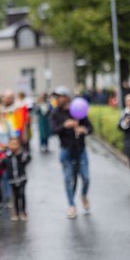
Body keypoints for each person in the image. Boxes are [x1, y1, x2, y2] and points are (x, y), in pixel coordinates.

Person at [50, 86, 93, 219]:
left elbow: (90, 128)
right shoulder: (55, 113)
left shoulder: (77, 109)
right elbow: (53, 130)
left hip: (80, 149)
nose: (57, 99)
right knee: (68, 179)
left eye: (59, 96)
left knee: (85, 178)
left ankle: (84, 195)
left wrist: (83, 130)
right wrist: (64, 126)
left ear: (66, 97)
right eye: (55, 97)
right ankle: (71, 205)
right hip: (65, 150)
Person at [0, 137, 31, 221]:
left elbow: (27, 159)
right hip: (12, 179)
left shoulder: (22, 154)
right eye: (11, 144)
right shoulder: (7, 157)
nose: (13, 146)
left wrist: (19, 154)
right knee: (15, 196)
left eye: (15, 144)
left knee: (22, 194)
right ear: (8, 145)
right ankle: (16, 212)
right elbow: (1, 165)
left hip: (22, 178)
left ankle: (23, 212)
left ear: (19, 145)